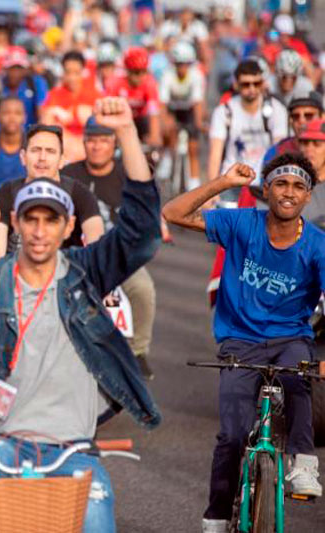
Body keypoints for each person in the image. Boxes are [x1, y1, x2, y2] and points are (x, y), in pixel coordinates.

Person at [0, 97, 162, 533]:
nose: (39, 230)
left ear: (68, 227)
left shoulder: (87, 274)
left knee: (97, 519)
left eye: (51, 221)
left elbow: (140, 234)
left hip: (72, 449)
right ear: (16, 222)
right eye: (30, 219)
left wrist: (127, 132)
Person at [163, 153, 324, 532]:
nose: (289, 193)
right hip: (240, 340)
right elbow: (172, 213)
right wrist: (223, 183)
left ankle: (303, 463)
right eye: (280, 184)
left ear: (308, 195)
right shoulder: (241, 223)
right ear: (266, 190)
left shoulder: (318, 244)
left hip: (290, 338)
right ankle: (217, 514)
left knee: (300, 380)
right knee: (232, 435)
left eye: (298, 186)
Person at [62, 116, 157, 379]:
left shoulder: (127, 174)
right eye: (91, 140)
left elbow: (146, 207)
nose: (97, 146)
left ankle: (138, 351)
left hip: (118, 256)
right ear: (84, 142)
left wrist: (158, 222)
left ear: (114, 143)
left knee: (143, 289)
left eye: (103, 140)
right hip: (75, 255)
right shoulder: (69, 175)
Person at [0, 124, 104, 263]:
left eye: (50, 151)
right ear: (23, 157)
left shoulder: (80, 194)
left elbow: (96, 244)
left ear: (62, 160)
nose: (42, 157)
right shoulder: (5, 194)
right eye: (35, 150)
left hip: (68, 272)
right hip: (16, 272)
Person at [207, 59, 288, 205]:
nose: (252, 89)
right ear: (236, 85)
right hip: (231, 181)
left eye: (256, 83)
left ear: (263, 83)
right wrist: (211, 192)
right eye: (246, 84)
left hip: (264, 182)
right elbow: (215, 154)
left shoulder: (277, 110)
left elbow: (280, 150)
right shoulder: (224, 112)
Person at [0, 46, 48, 144]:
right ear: (4, 68)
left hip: (27, 139)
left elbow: (43, 115)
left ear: (26, 69)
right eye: (11, 68)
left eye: (19, 68)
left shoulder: (36, 84)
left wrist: (41, 142)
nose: (15, 73)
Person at [158, 40, 206, 189]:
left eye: (186, 64)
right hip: (173, 109)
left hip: (189, 110)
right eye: (179, 64)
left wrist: (198, 124)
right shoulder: (167, 75)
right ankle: (168, 157)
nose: (182, 68)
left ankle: (194, 182)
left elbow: (198, 103)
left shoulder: (196, 75)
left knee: (193, 147)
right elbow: (163, 103)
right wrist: (165, 123)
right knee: (170, 131)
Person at [41, 50, 102, 165]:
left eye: (76, 73)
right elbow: (45, 124)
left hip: (87, 150)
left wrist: (73, 113)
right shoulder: (54, 95)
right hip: (64, 152)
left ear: (83, 71)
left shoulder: (94, 95)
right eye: (67, 72)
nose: (72, 78)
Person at [106, 47, 161, 147]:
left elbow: (153, 112)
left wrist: (154, 136)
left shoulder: (149, 83)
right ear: (128, 71)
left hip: (141, 120)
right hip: (120, 120)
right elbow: (109, 114)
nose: (141, 77)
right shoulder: (116, 83)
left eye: (144, 71)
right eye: (136, 72)